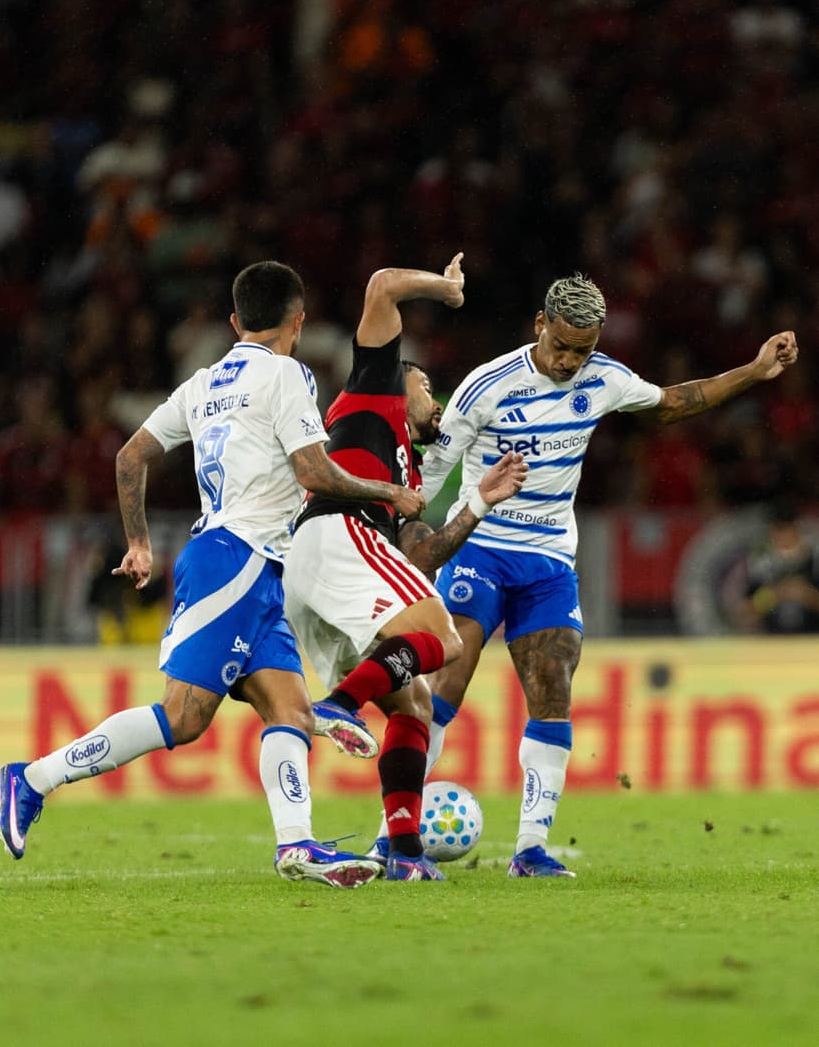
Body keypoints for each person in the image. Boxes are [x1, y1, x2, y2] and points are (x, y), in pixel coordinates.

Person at [0, 259, 426, 888]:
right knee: (184, 717)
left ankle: (297, 848)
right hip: (236, 560)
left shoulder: (202, 383)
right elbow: (313, 472)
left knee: (291, 709)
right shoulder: (287, 375)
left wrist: (139, 541)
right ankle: (32, 779)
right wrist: (387, 490)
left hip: (248, 562)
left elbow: (130, 455)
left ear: (234, 321)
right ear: (298, 322)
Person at [387, 271, 797, 878]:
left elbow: (673, 402)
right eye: (561, 346)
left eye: (582, 349)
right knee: (444, 686)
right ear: (539, 326)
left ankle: (529, 851)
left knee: (553, 686)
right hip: (481, 548)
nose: (569, 360)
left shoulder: (604, 377)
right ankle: (392, 843)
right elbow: (427, 473)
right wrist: (407, 535)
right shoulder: (486, 386)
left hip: (550, 559)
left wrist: (753, 371)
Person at [282, 253, 526, 882]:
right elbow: (382, 285)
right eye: (428, 389)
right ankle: (336, 705)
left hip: (324, 566)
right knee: (445, 640)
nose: (436, 401)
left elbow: (419, 557)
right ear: (403, 383)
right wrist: (443, 289)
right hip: (337, 532)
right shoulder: (375, 392)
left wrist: (477, 502)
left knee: (414, 707)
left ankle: (406, 852)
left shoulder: (407, 473)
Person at [722, 498, 819, 634]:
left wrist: (806, 594)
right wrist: (774, 595)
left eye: (787, 531)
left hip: (811, 642)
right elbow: (744, 613)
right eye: (778, 532)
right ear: (772, 533)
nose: (783, 538)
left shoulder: (814, 560)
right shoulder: (760, 564)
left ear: (797, 531)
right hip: (771, 643)